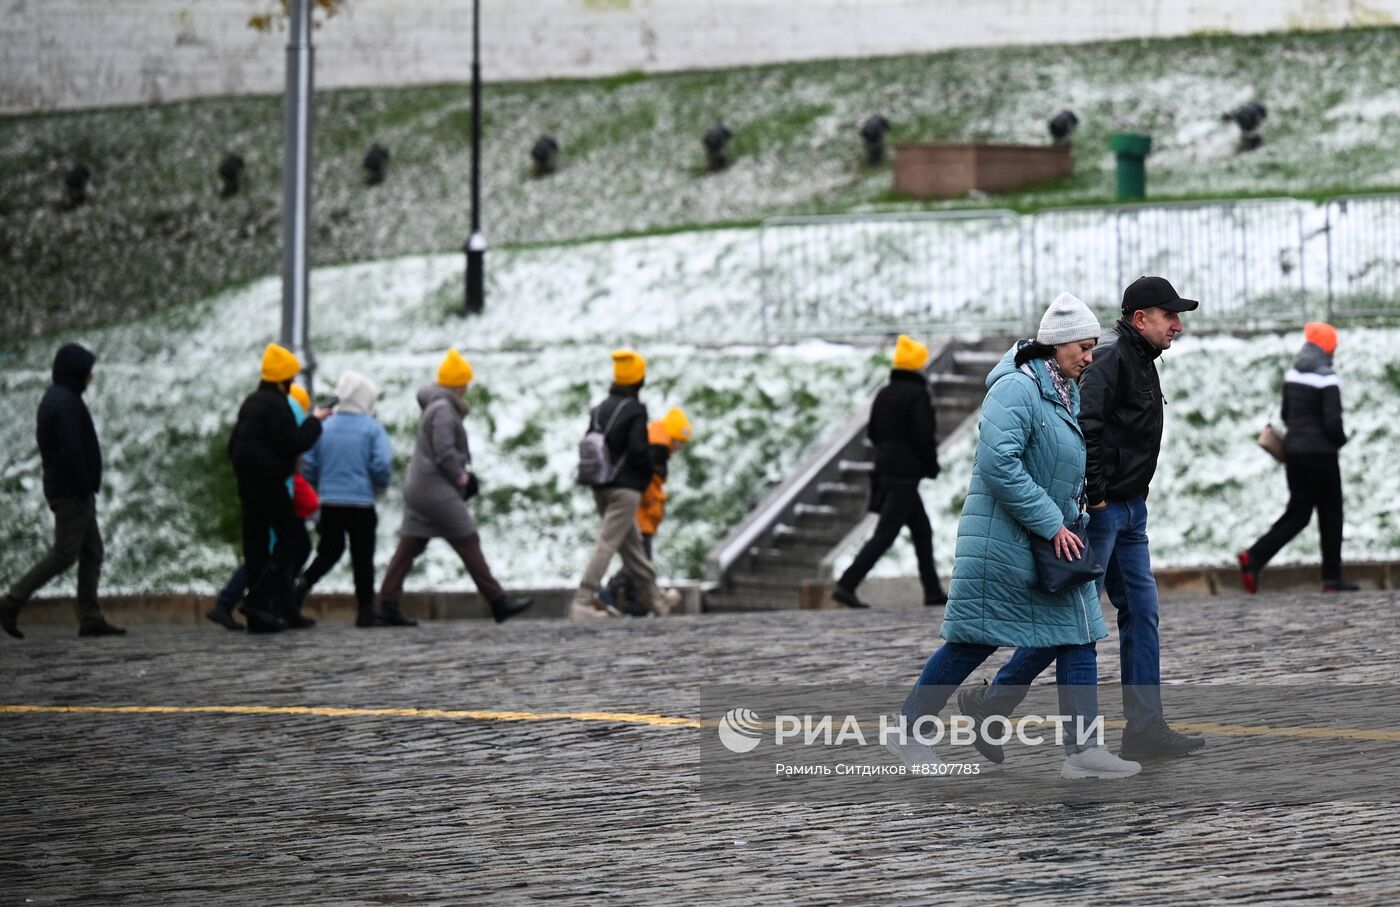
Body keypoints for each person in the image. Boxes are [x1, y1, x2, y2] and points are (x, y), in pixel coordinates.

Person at [885, 294, 1139, 779]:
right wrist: (1051, 521)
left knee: (1079, 634)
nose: (1090, 357)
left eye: (1093, 347)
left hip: (1052, 541)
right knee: (975, 639)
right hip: (1005, 542)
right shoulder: (1016, 388)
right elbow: (998, 464)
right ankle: (909, 726)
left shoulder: (1063, 389)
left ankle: (1083, 750)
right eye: (1084, 347)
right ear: (1058, 344)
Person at [970, 276, 1206, 762]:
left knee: (1142, 612)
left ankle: (1144, 726)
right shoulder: (1113, 357)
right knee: (1070, 622)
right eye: (1170, 316)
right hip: (1103, 513)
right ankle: (994, 704)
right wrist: (1096, 499)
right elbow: (1085, 429)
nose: (1178, 326)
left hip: (1131, 510)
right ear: (1140, 318)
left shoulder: (1141, 356)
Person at [376, 349, 534, 625]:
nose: (467, 388)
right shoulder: (443, 410)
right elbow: (445, 452)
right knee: (467, 539)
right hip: (435, 489)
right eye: (465, 383)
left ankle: (388, 603)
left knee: (410, 545)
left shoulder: (436, 406)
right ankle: (498, 601)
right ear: (459, 385)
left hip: (420, 487)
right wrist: (462, 479)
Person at [1, 343, 125, 639]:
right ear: (75, 372)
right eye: (87, 371)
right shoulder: (66, 403)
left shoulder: (60, 398)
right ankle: (11, 601)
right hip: (72, 492)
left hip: (71, 489)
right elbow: (71, 451)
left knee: (92, 551)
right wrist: (84, 485)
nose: (91, 376)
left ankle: (90, 617)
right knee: (64, 554)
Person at [1239, 323, 1358, 593]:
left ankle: (1254, 557)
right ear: (1327, 347)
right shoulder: (1327, 377)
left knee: (1299, 513)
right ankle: (1332, 579)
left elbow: (1285, 414)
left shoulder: (1293, 372)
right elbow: (1332, 423)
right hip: (1321, 455)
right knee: (1331, 513)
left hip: (1294, 452)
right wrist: (1341, 440)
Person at [832, 334, 945, 610]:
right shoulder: (917, 394)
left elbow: (873, 432)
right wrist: (930, 465)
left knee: (922, 530)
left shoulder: (884, 393)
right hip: (904, 474)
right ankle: (846, 584)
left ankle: (932, 591)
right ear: (916, 366)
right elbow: (923, 436)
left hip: (886, 469)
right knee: (886, 533)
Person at [226, 343, 326, 633]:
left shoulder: (251, 402)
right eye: (290, 379)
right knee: (291, 540)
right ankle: (257, 600)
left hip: (246, 481)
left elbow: (234, 444)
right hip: (269, 481)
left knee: (256, 545)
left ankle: (258, 618)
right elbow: (294, 442)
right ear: (283, 381)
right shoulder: (277, 405)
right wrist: (315, 421)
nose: (292, 383)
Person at [569, 349, 671, 621]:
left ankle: (657, 599)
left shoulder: (600, 409)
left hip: (599, 484)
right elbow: (638, 451)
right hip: (625, 490)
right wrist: (649, 470)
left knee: (632, 548)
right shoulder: (635, 410)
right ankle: (582, 601)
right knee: (608, 543)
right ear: (639, 379)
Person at [297, 371, 395, 627]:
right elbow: (382, 463)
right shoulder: (372, 428)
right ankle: (365, 610)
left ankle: (300, 587)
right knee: (363, 557)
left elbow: (308, 464)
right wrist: (379, 484)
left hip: (329, 502)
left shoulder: (324, 426)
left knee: (328, 551)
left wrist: (320, 484)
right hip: (361, 503)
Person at [600, 407, 692, 616]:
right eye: (680, 442)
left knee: (640, 558)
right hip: (640, 516)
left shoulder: (653, 442)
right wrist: (654, 502)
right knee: (640, 559)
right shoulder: (657, 449)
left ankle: (633, 601)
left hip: (640, 514)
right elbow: (648, 483)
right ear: (673, 437)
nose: (679, 447)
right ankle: (610, 591)